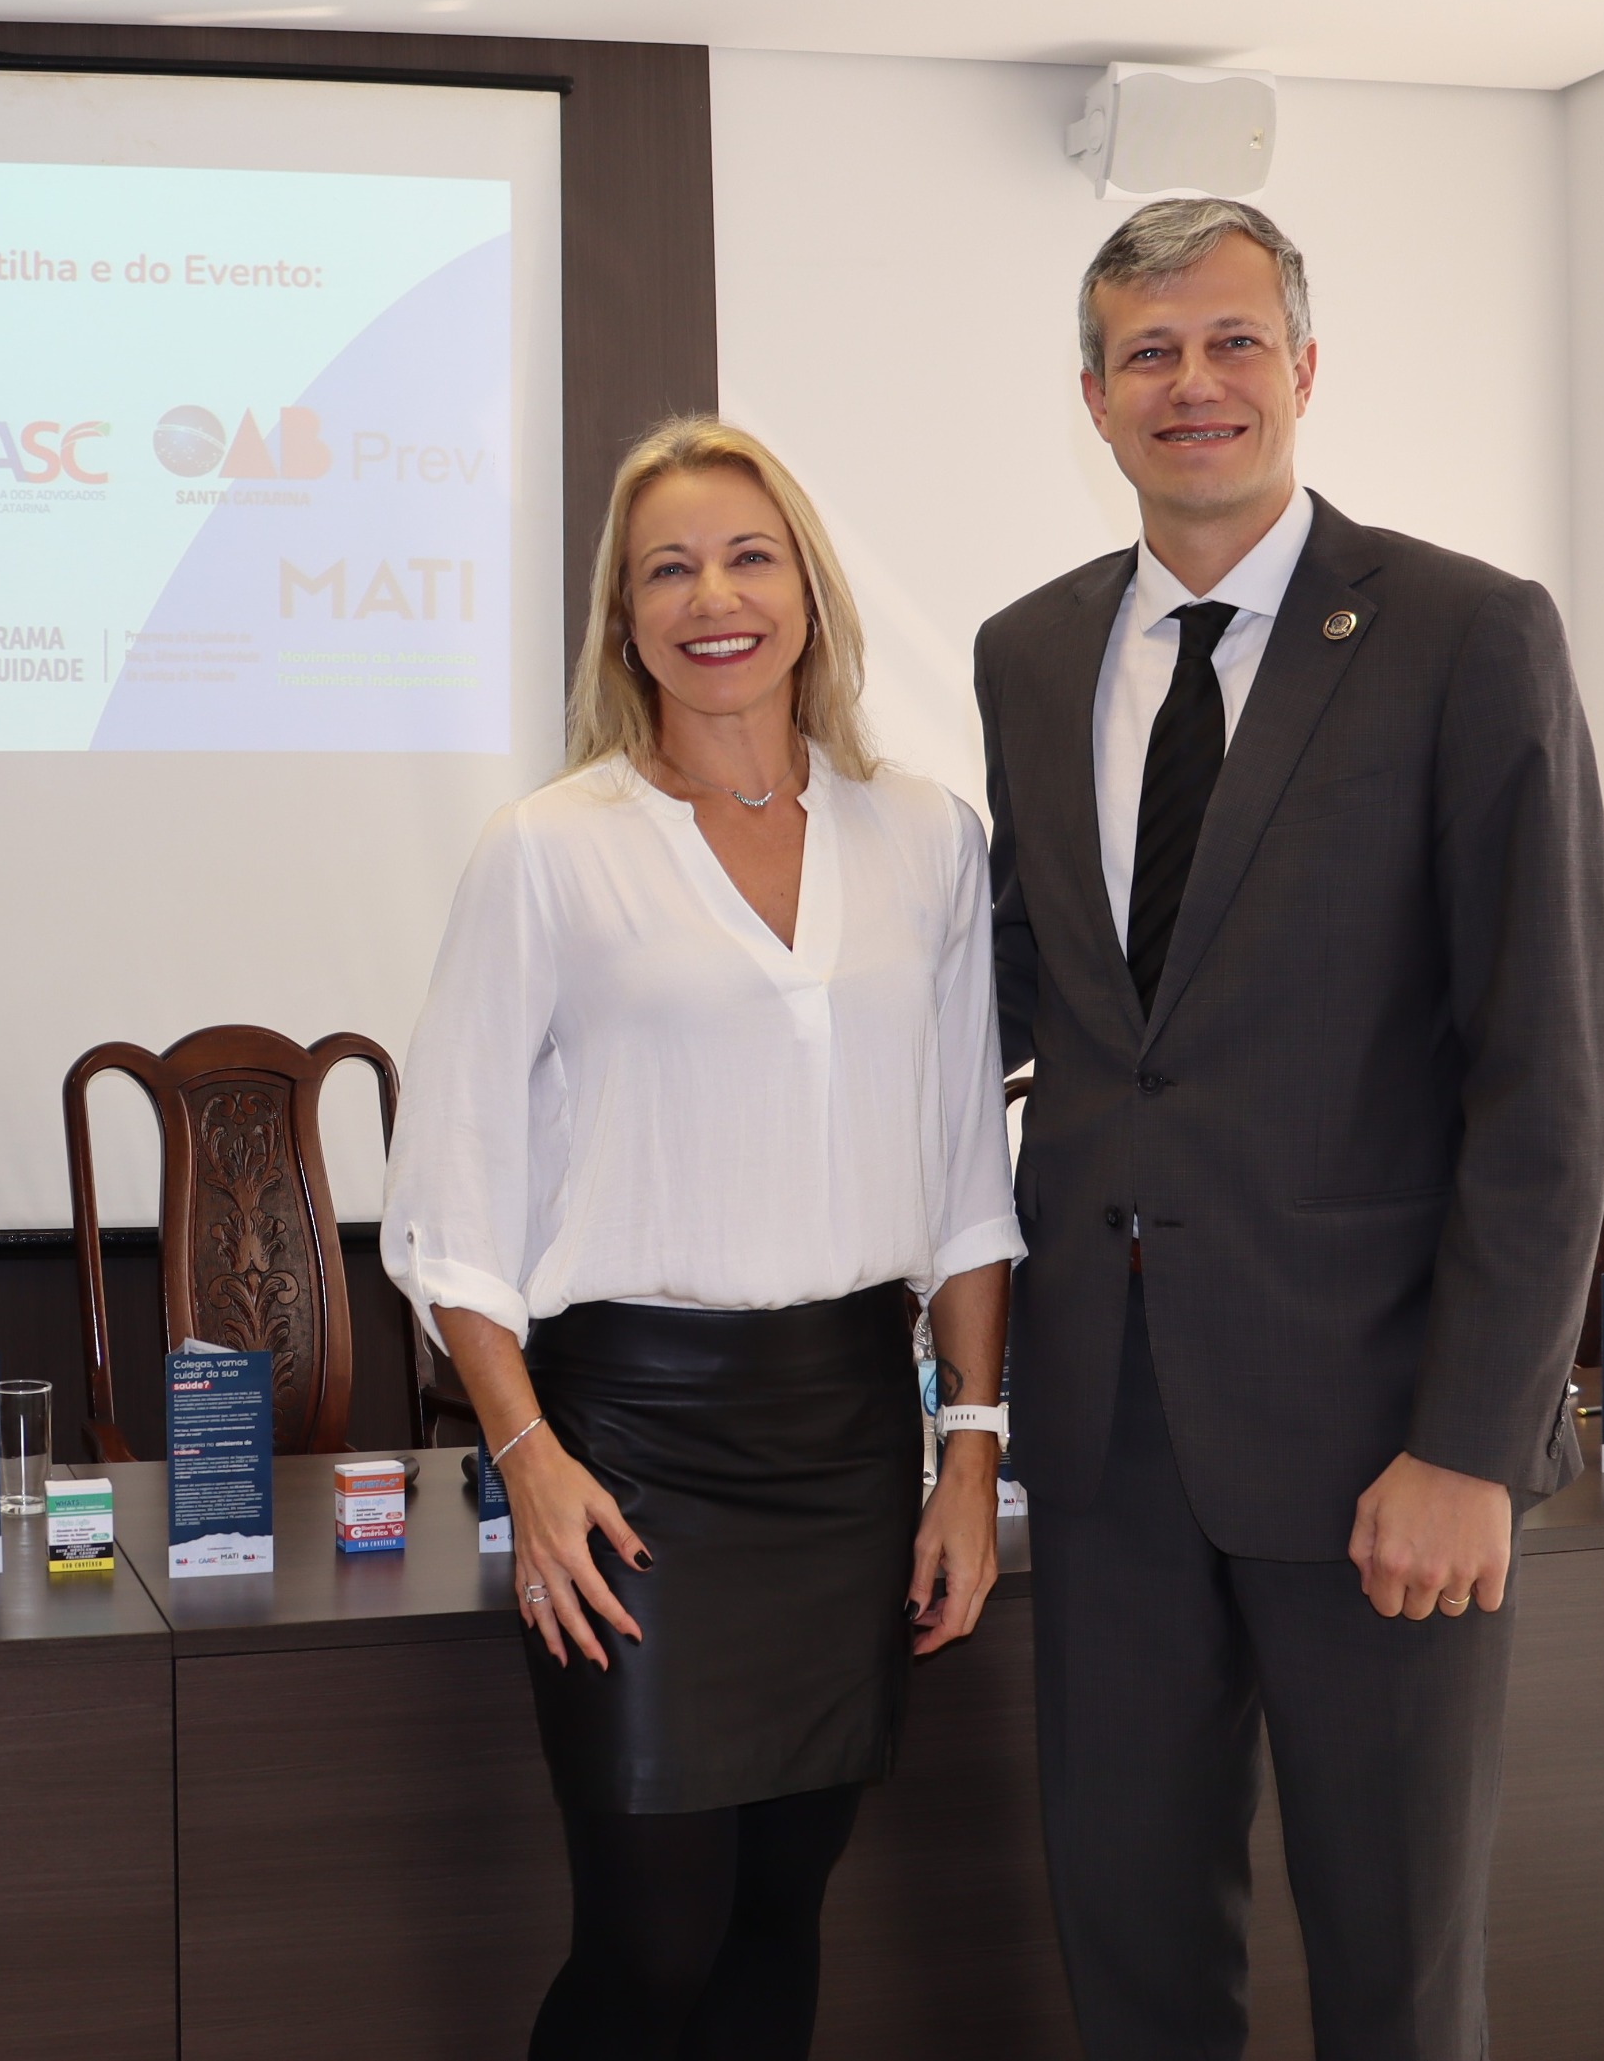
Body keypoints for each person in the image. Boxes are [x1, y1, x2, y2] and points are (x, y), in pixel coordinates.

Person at [976, 198, 1604, 2058]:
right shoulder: (1030, 655)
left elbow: (1548, 1070)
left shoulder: (1466, 633)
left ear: (1305, 370)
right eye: (1150, 353)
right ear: (1091, 398)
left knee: (1395, 1976)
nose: (1196, 385)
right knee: (1135, 1962)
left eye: (1234, 342)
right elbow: (1034, 1004)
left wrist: (1471, 1444)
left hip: (1378, 1455)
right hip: (1105, 1440)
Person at [381, 415, 1023, 2060]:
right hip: (630, 1443)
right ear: (622, 619)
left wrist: (966, 1452)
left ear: (807, 584)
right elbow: (448, 1208)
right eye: (667, 568)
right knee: (650, 1934)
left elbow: (961, 1176)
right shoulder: (548, 850)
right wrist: (529, 1457)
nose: (712, 595)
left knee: (778, 1912)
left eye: (749, 554)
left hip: (850, 1436)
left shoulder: (928, 838)